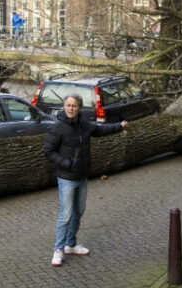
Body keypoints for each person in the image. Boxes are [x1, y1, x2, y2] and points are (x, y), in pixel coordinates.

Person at [43, 94, 128, 267]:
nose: (71, 108)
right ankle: (58, 249)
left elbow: (101, 130)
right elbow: (49, 151)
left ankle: (71, 244)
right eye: (68, 105)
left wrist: (119, 126)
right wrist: (67, 163)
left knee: (78, 213)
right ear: (64, 107)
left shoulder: (85, 125)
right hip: (66, 177)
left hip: (82, 176)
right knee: (65, 215)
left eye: (74, 106)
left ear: (79, 107)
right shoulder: (58, 127)